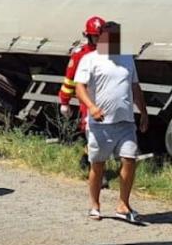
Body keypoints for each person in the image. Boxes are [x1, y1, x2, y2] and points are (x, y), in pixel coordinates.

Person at [74, 20, 149, 222]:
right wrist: (92, 107)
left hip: (125, 122)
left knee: (129, 160)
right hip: (100, 124)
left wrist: (143, 112)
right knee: (98, 165)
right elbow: (79, 87)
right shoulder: (90, 59)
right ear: (100, 37)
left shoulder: (127, 59)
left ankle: (123, 205)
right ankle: (95, 205)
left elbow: (135, 87)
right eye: (109, 36)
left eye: (117, 36)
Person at [59, 16, 104, 177]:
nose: (99, 40)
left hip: (106, 99)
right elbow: (70, 79)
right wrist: (65, 101)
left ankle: (87, 159)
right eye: (96, 36)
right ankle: (97, 173)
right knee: (92, 133)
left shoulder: (111, 53)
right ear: (89, 36)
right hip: (87, 99)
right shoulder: (80, 55)